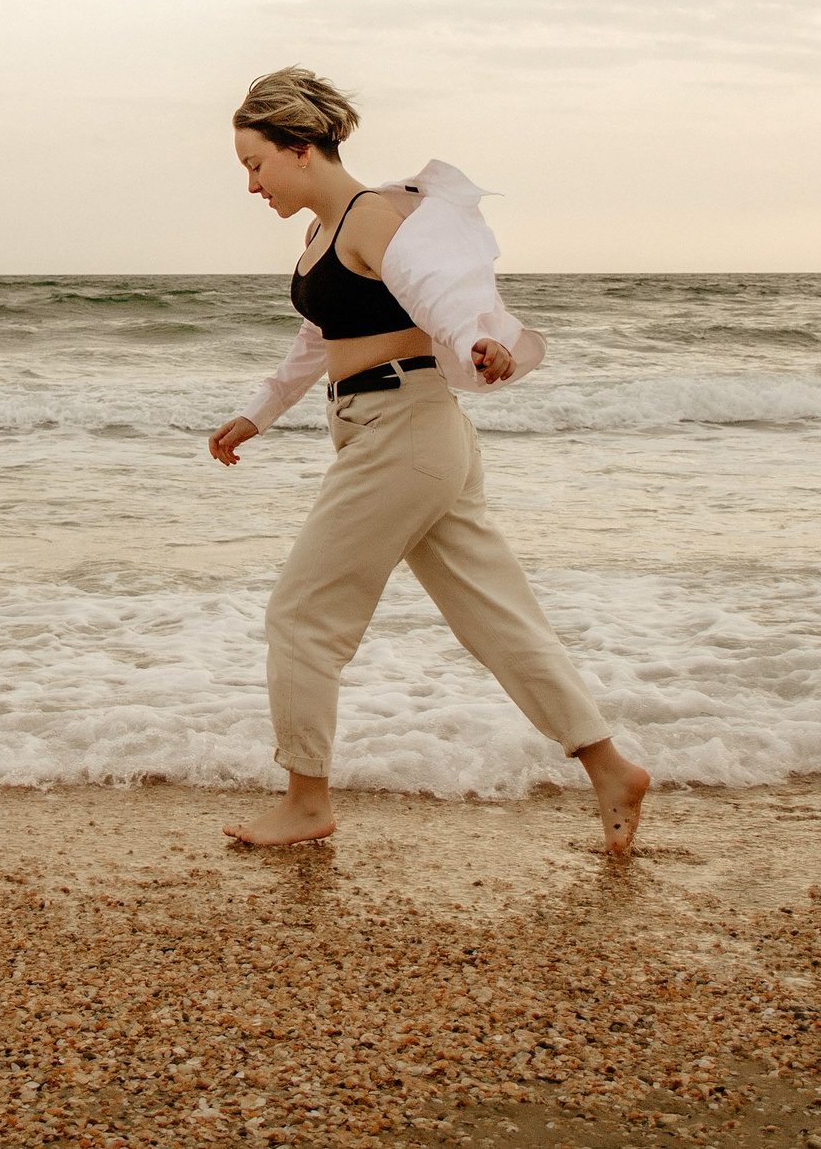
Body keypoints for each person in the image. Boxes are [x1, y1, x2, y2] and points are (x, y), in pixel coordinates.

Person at [206, 67, 650, 854]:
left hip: (402, 430)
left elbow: (437, 288)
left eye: (255, 163)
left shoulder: (376, 216)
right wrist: (257, 413)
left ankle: (307, 801)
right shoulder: (321, 234)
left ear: (301, 147)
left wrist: (484, 342)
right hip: (400, 432)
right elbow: (319, 341)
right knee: (496, 616)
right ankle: (610, 766)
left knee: (303, 615)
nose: (250, 184)